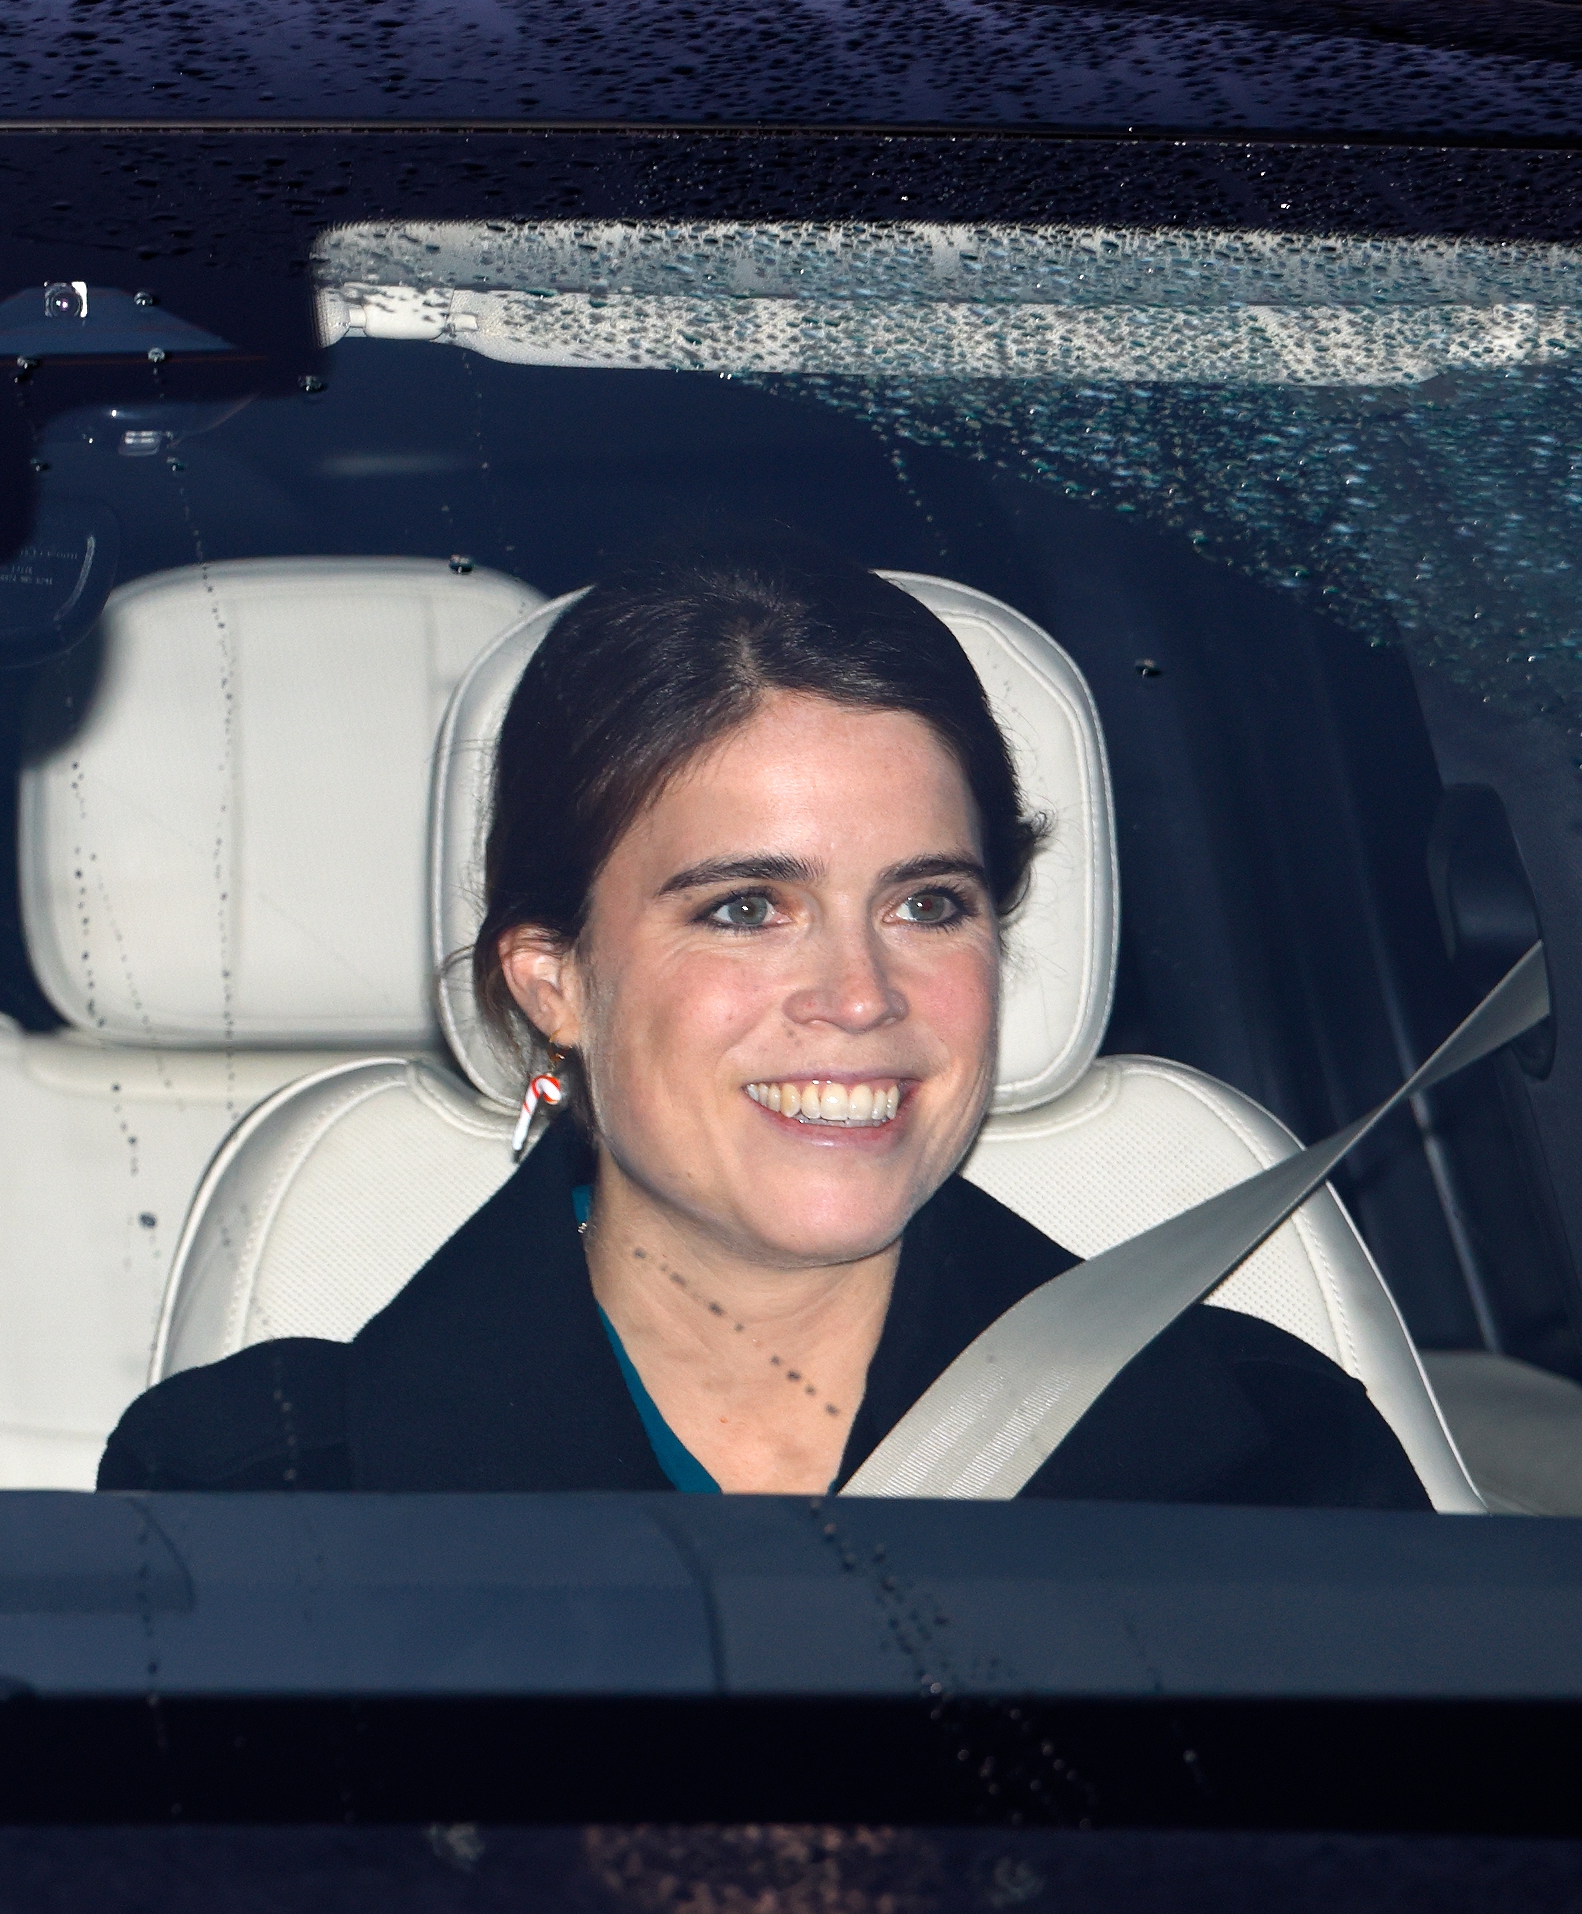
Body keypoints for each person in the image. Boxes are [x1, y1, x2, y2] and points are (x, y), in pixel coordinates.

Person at [100, 542, 1424, 1507]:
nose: (859, 995)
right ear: (549, 980)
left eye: (926, 903)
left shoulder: (1269, 1461)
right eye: (744, 908)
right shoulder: (257, 1493)